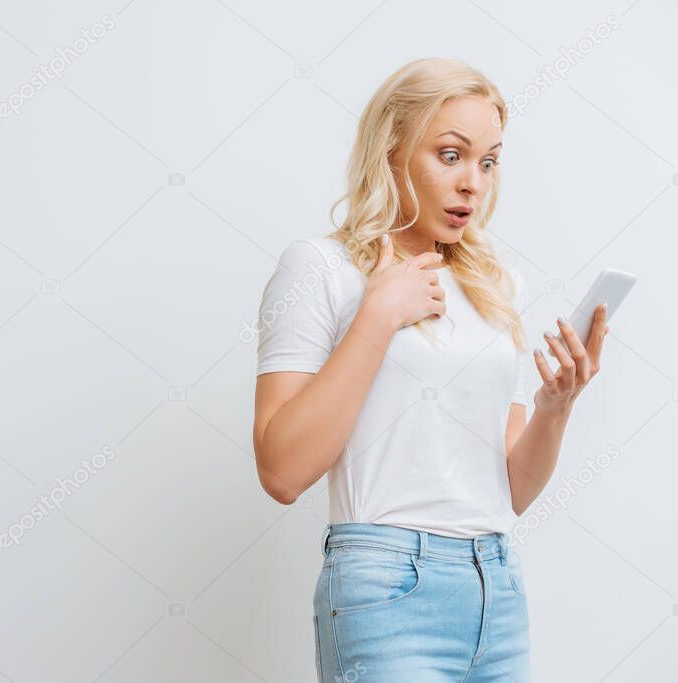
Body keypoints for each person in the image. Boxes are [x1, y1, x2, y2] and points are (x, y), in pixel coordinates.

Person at [251, 57, 610, 682]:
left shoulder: (497, 287)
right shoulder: (320, 268)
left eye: (489, 161)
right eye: (451, 155)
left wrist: (556, 406)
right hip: (386, 590)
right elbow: (281, 472)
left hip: (495, 587)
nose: (474, 182)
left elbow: (510, 491)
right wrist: (378, 316)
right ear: (391, 151)